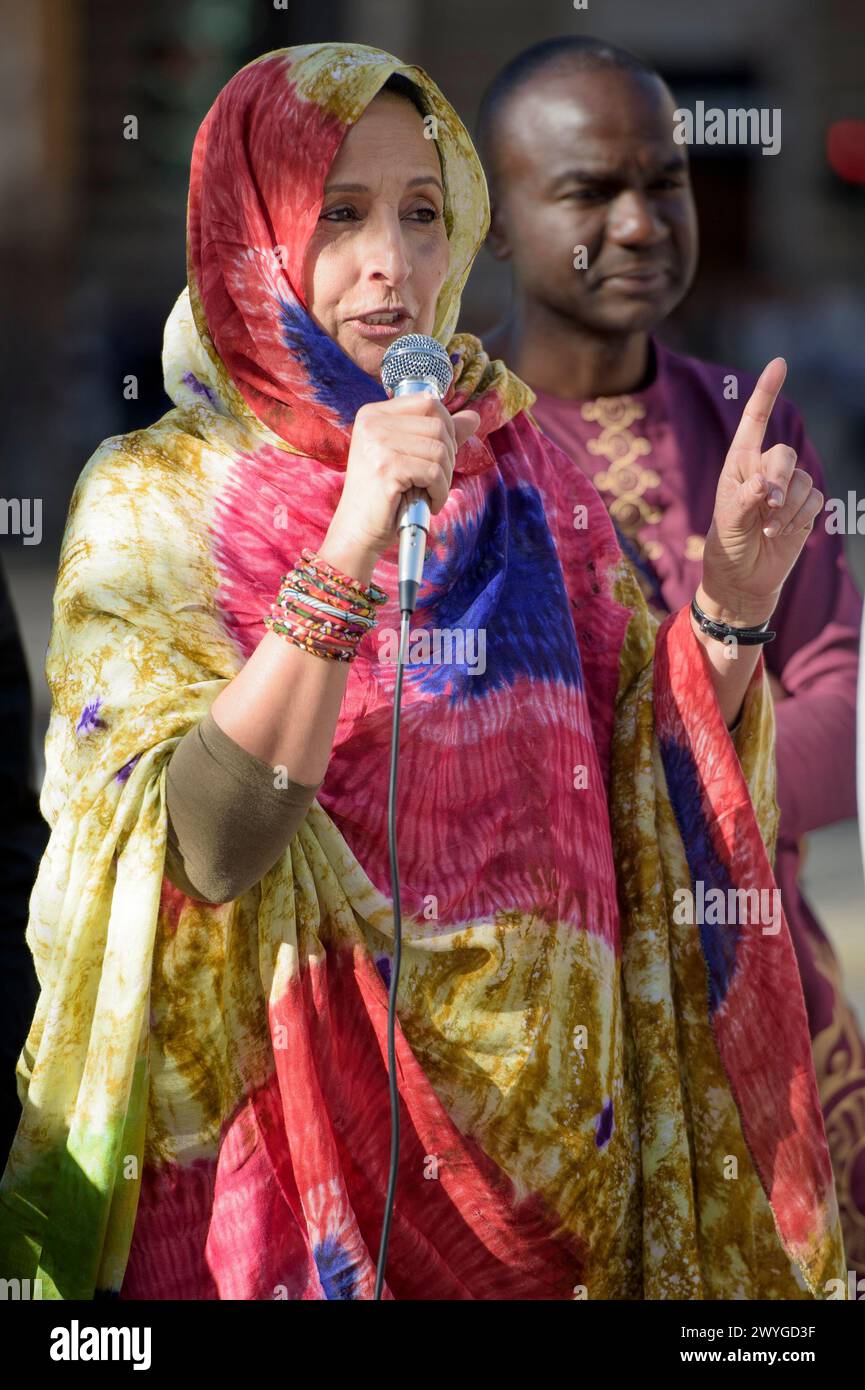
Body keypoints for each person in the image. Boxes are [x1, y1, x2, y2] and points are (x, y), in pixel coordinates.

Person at [0, 42, 845, 1301]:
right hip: (289, 1183)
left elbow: (641, 780)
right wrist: (349, 540)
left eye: (422, 212)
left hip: (553, 1193)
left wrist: (727, 606)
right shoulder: (156, 503)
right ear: (249, 229)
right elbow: (204, 849)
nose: (391, 262)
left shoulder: (527, 472)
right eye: (338, 215)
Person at [477, 35, 865, 1278]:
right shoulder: (442, 461)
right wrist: (691, 770)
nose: (641, 223)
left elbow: (840, 706)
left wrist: (653, 801)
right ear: (493, 221)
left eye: (668, 182)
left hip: (764, 1001)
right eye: (590, 191)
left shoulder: (748, 430)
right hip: (533, 1034)